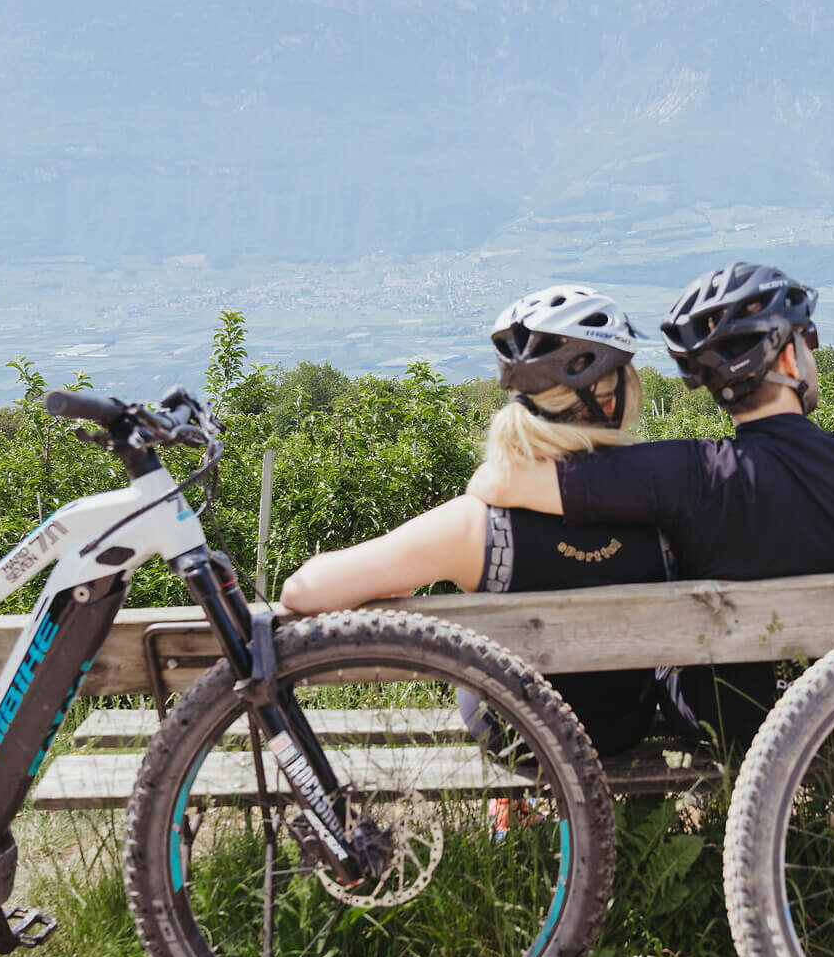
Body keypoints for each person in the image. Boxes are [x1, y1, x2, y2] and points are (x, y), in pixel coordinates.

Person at [467, 262, 834, 748]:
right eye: (808, 340)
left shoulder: (683, 473)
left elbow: (501, 481)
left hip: (716, 720)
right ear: (787, 356)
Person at [280, 286, 677, 756]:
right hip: (623, 724)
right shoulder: (671, 502)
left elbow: (303, 591)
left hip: (515, 734)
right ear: (611, 403)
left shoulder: (477, 524)